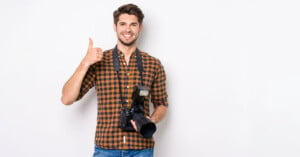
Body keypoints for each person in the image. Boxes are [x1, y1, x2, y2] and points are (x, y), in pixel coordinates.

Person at [61, 3, 168, 157]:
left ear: (140, 28)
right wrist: (85, 62)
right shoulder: (98, 60)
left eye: (133, 24)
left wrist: (150, 120)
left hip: (141, 148)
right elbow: (67, 98)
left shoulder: (153, 64)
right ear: (115, 26)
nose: (128, 29)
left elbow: (162, 104)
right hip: (106, 147)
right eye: (123, 24)